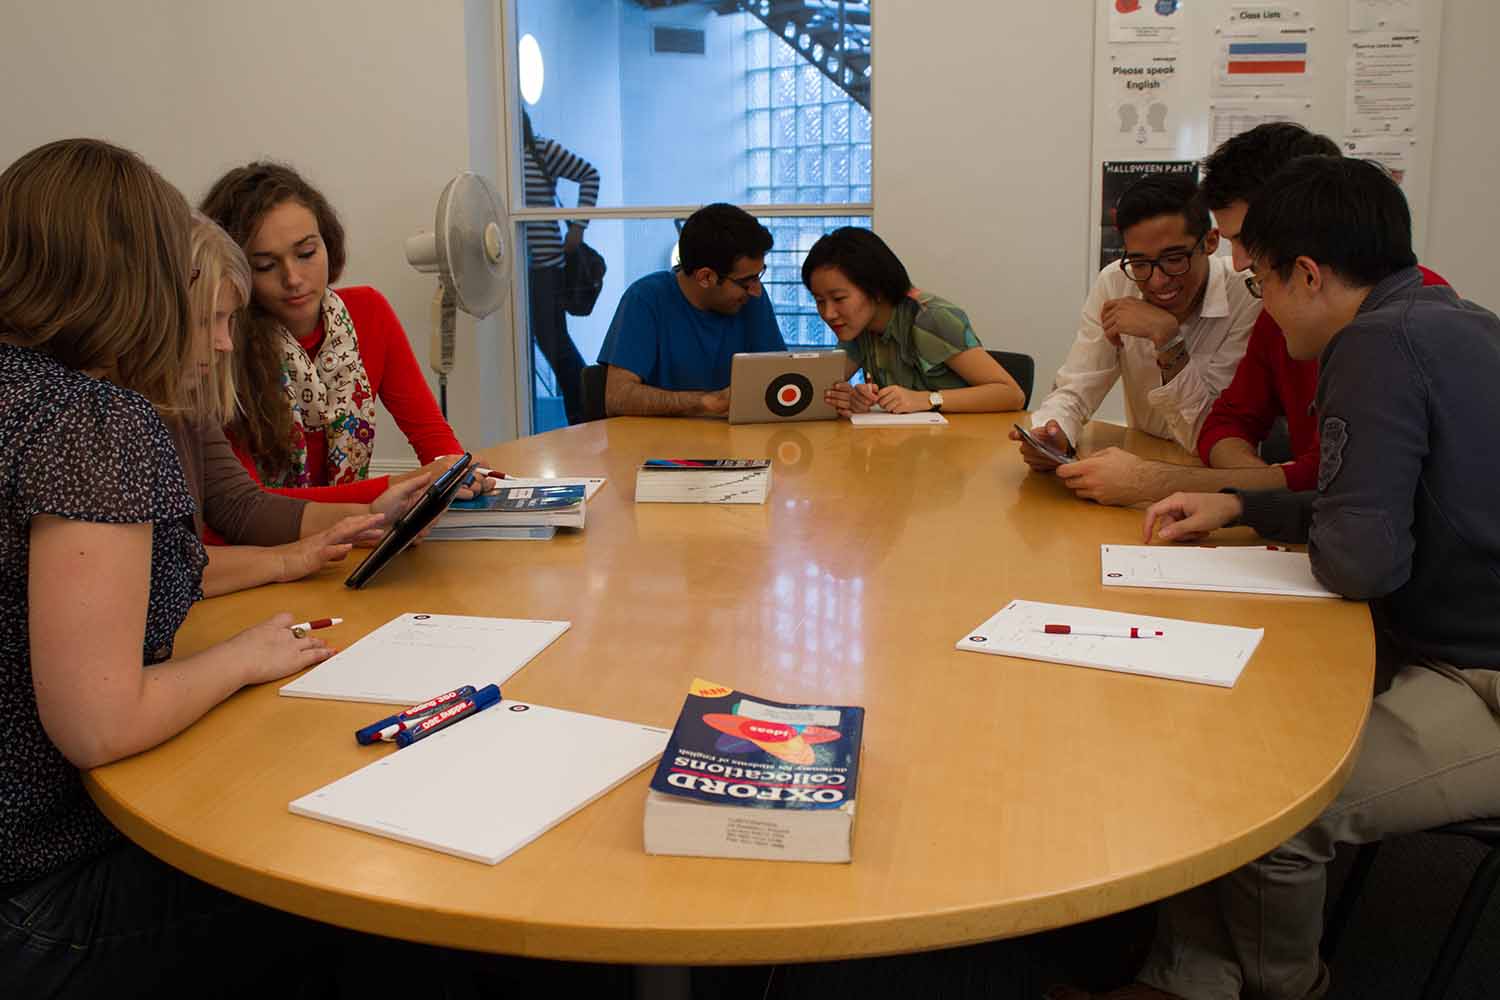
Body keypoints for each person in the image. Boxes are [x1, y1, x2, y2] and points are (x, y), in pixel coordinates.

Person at [1055, 157, 1500, 1000]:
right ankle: (1194, 979)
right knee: (1216, 750)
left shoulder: (1369, 347)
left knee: (1273, 815)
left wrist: (1294, 508)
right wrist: (1248, 508)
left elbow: (1361, 559)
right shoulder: (1451, 318)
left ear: (1306, 272)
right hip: (1450, 640)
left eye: (1257, 280)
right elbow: (1369, 508)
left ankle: (1284, 990)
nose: (1258, 303)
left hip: (1479, 676)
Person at [0, 138, 341, 996]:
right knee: (352, 875)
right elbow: (101, 727)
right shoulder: (94, 420)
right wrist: (246, 657)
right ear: (130, 273)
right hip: (40, 897)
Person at [1051, 123, 1449, 507]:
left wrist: (1156, 481)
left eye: (1246, 239)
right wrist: (1253, 493)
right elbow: (1226, 426)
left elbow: (1335, 481)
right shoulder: (1278, 308)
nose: (1239, 263)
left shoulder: (1404, 326)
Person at [200, 161, 490, 502]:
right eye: (265, 265)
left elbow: (434, 439)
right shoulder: (222, 343)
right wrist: (405, 486)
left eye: (307, 253)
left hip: (355, 534)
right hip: (268, 546)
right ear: (234, 272)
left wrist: (460, 473)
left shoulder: (368, 312)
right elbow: (250, 506)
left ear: (328, 242)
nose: (293, 278)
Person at [178, 214, 435, 596]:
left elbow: (240, 504)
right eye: (206, 321)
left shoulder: (187, 392)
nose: (224, 343)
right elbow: (166, 567)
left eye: (307, 253)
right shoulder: (155, 395)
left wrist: (367, 517)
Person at [1011, 173, 1258, 471]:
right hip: (1143, 460)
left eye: (1174, 259)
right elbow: (1077, 386)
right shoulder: (1116, 280)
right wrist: (1053, 432)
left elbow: (1211, 436)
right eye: (1140, 263)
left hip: (1215, 477)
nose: (1158, 280)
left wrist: (1167, 339)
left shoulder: (1250, 293)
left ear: (1210, 242)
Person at [801, 227, 1024, 415]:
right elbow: (817, 389)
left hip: (966, 448)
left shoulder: (930, 317)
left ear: (876, 289)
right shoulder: (857, 328)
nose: (828, 313)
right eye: (819, 301)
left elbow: (1011, 394)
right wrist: (848, 398)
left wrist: (927, 400)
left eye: (839, 298)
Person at [597, 202, 786, 417]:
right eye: (746, 281)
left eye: (758, 275)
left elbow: (780, 379)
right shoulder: (645, 299)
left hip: (738, 446)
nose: (756, 291)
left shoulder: (750, 299)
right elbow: (618, 398)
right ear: (705, 277)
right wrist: (705, 403)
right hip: (659, 447)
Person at [522, 109, 600, 425]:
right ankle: (584, 409)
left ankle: (586, 410)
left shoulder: (540, 148)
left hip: (545, 267)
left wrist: (578, 227)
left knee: (554, 344)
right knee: (550, 342)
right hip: (516, 271)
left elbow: (589, 174)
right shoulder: (502, 160)